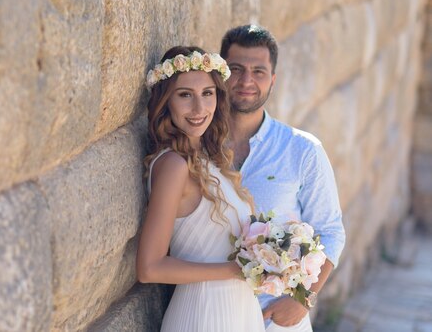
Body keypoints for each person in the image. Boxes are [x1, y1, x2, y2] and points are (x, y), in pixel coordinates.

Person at [220, 24, 346, 331]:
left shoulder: (302, 150)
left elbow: (330, 232)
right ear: (221, 74)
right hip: (212, 309)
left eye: (258, 71)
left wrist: (303, 300)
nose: (246, 81)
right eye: (236, 69)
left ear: (272, 80)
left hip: (275, 320)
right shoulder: (198, 146)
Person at [137, 46, 266, 331]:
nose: (199, 109)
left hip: (240, 313)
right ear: (165, 101)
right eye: (185, 95)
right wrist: (236, 269)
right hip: (204, 315)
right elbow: (149, 267)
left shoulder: (211, 160)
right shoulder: (173, 165)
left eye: (207, 93)